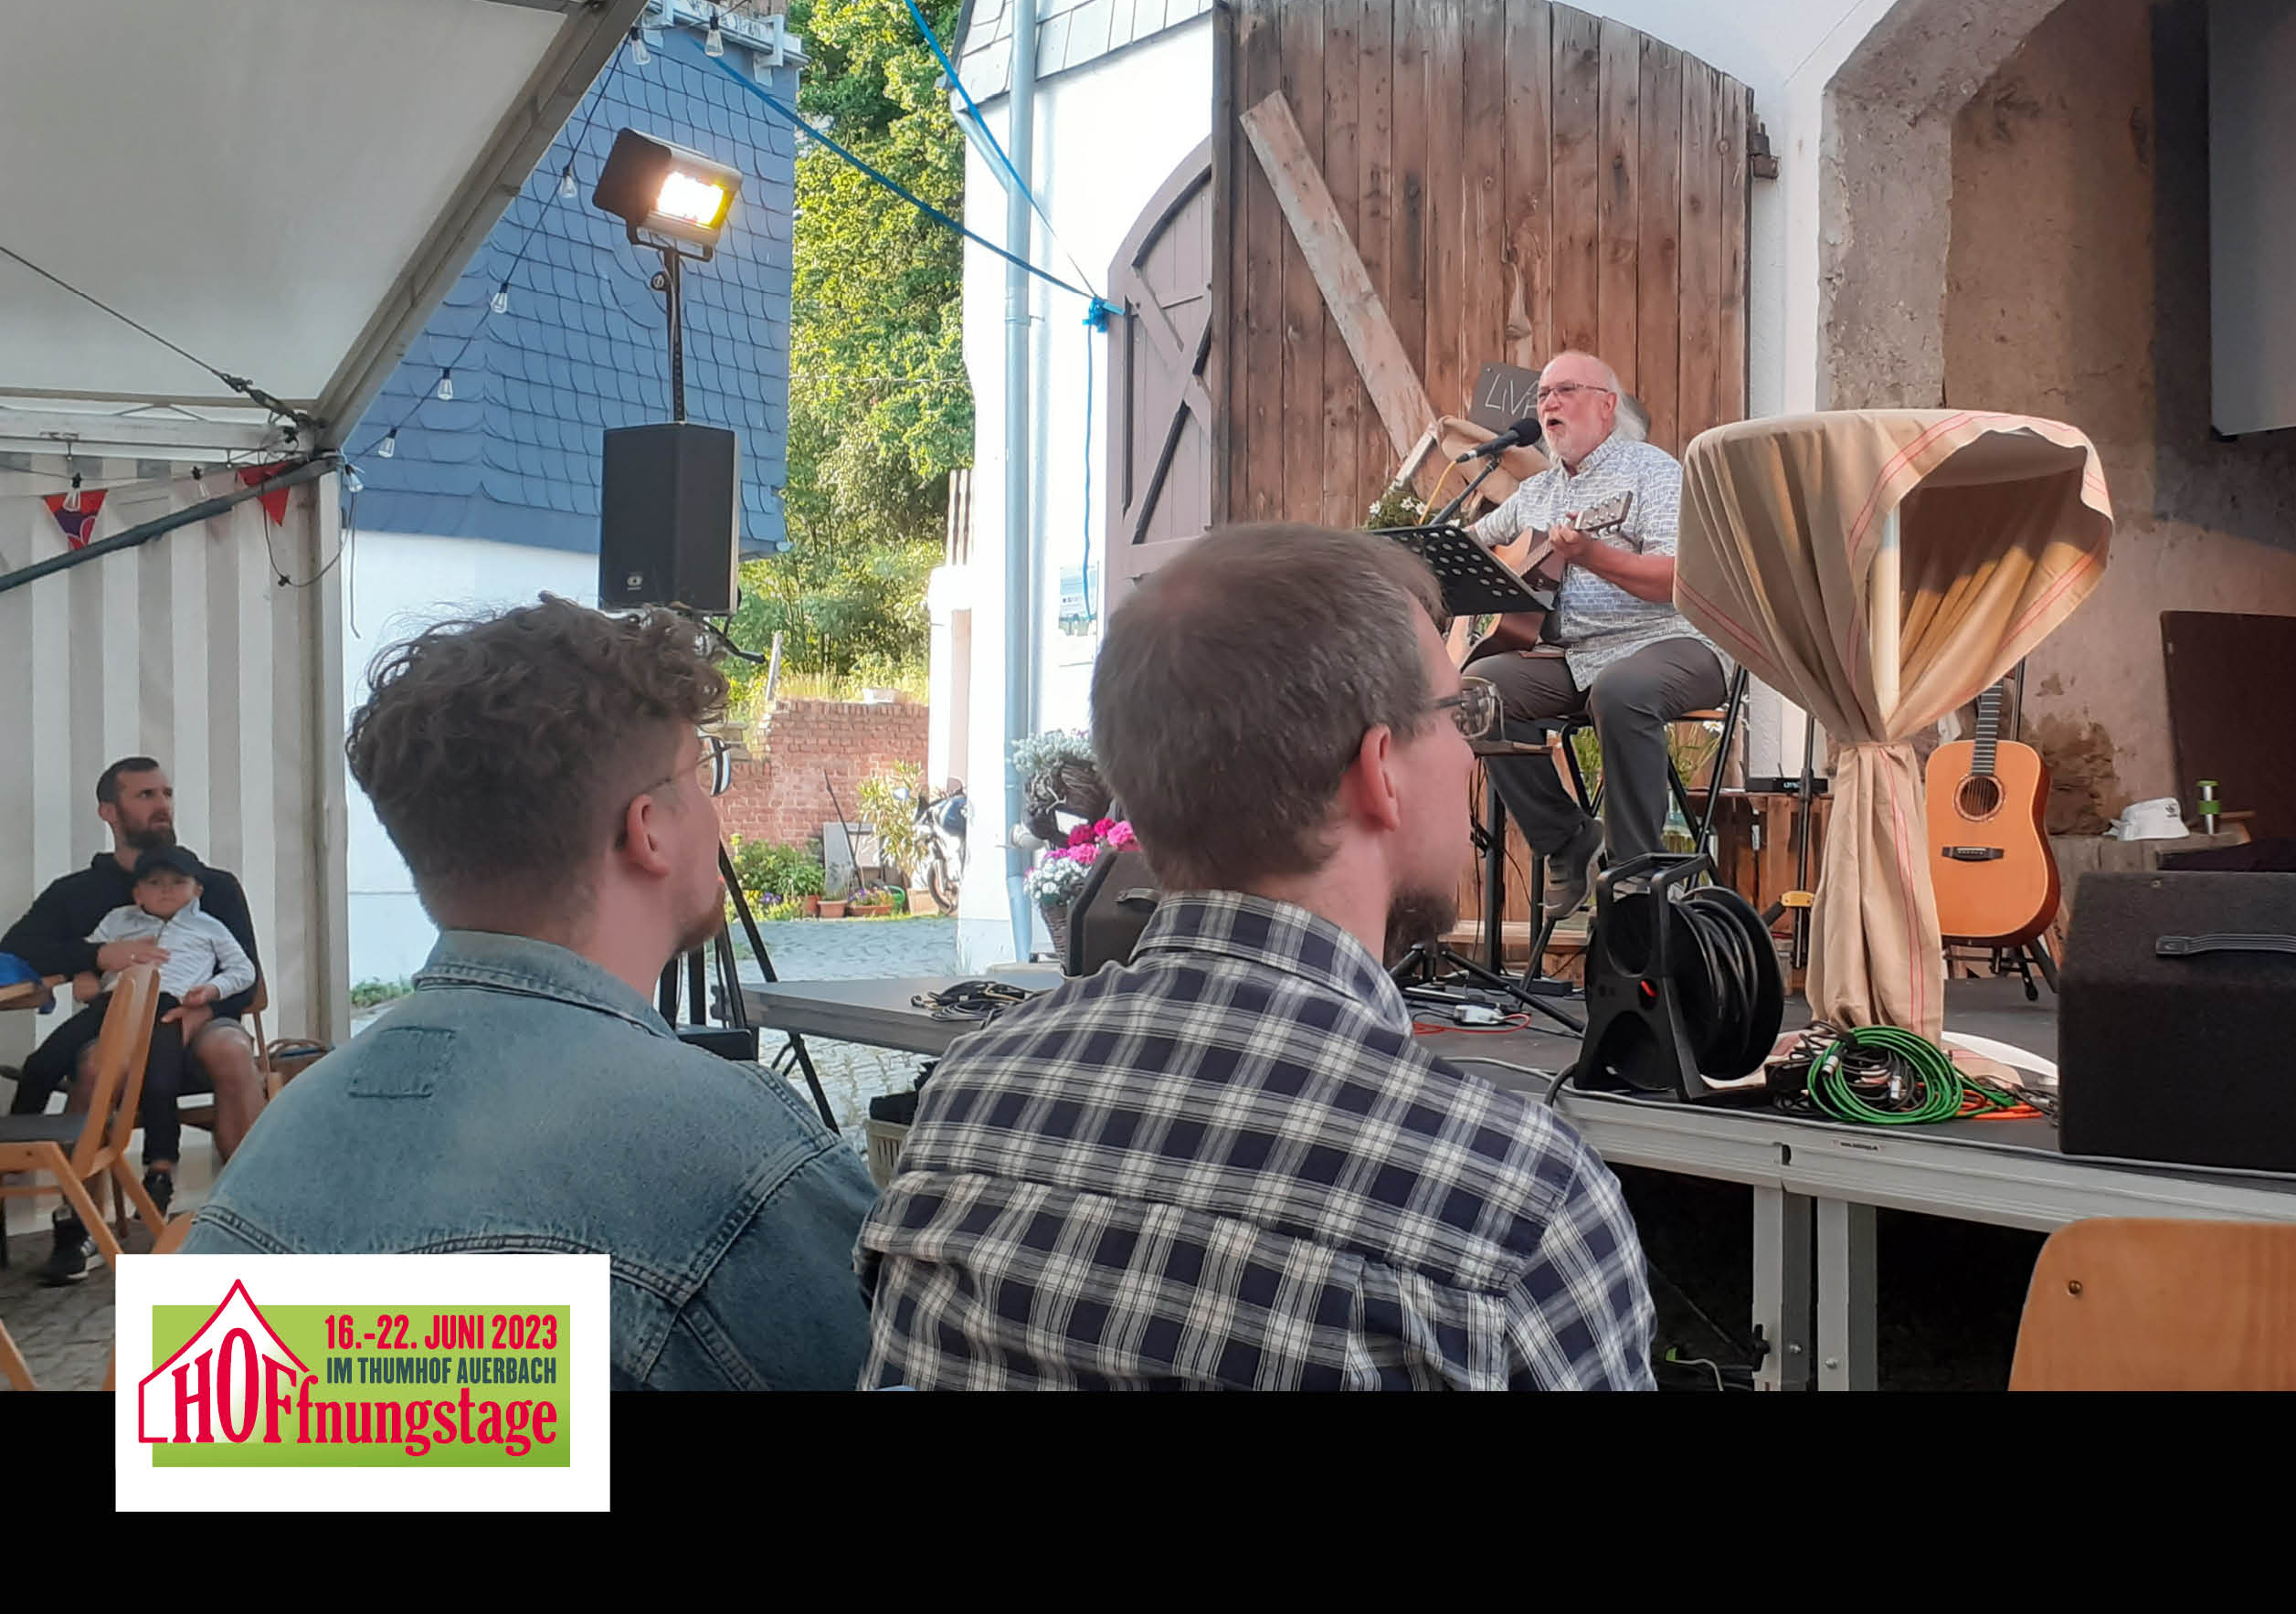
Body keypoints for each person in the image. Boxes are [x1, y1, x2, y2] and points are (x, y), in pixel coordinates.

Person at [858, 522, 1656, 1389]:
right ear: (1379, 771)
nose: (1470, 749)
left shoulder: (966, 1099)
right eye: (1456, 714)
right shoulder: (1519, 1202)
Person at [184, 596, 878, 1391]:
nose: (714, 810)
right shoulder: (736, 1157)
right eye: (701, 772)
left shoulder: (282, 1134)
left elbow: (233, 1430)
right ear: (648, 829)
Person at [1464, 350, 1730, 919]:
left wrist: (1592, 555)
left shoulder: (1653, 473)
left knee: (1620, 689)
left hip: (1672, 643)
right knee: (1477, 690)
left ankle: (1636, 875)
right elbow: (1474, 547)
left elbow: (1675, 581)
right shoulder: (1537, 492)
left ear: (1607, 406)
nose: (1549, 403)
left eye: (1566, 390)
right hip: (1574, 656)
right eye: (1543, 394)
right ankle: (1566, 839)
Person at [3, 756, 269, 1285]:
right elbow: (16, 951)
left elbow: (249, 979)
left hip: (199, 1019)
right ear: (109, 811)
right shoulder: (77, 893)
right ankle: (77, 1226)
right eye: (145, 795)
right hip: (116, 1029)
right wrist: (96, 957)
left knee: (232, 1050)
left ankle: (255, 1218)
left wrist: (195, 1012)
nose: (162, 805)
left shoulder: (212, 884)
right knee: (96, 1065)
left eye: (166, 793)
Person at [81, 849, 257, 1225]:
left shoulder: (210, 922)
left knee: (231, 1049)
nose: (166, 890)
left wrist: (209, 994)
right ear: (137, 891)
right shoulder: (118, 920)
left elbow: (245, 972)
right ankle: (78, 1218)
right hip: (123, 1018)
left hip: (190, 1011)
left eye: (178, 882)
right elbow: (88, 956)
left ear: (197, 890)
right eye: (154, 882)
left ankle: (250, 1205)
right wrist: (87, 973)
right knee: (95, 1067)